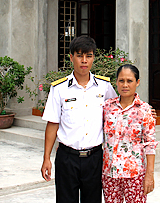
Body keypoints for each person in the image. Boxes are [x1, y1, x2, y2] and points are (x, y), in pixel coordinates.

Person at [41, 36, 117, 203]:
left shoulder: (104, 87)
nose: (84, 60)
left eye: (88, 56)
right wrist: (46, 157)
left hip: (95, 158)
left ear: (93, 58)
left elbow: (118, 111)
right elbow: (53, 124)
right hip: (67, 158)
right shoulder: (59, 89)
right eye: (79, 55)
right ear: (71, 57)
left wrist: (144, 112)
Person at [102, 64, 158, 203]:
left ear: (137, 82)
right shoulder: (107, 107)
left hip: (135, 175)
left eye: (129, 81)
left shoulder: (145, 110)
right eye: (121, 81)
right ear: (116, 82)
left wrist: (149, 175)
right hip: (110, 174)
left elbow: (150, 144)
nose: (125, 85)